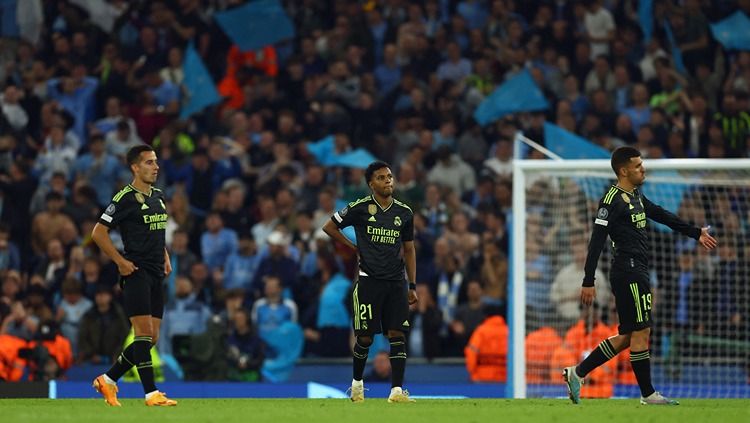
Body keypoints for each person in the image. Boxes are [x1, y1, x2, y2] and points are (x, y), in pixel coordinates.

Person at [563, 146, 717, 406]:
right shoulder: (611, 200)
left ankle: (577, 373)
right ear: (623, 170)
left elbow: (661, 215)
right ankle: (648, 394)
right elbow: (596, 241)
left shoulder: (634, 195)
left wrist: (695, 232)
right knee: (642, 330)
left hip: (637, 270)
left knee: (627, 336)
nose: (643, 169)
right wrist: (588, 280)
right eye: (637, 166)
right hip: (628, 270)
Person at [323, 161, 418, 403]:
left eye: (389, 176)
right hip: (368, 282)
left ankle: (396, 391)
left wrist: (413, 285)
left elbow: (409, 249)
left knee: (397, 335)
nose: (388, 180)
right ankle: (357, 384)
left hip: (396, 281)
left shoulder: (404, 212)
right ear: (371, 184)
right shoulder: (360, 208)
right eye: (382, 177)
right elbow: (329, 226)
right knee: (365, 337)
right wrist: (353, 246)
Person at [90, 145, 177, 407]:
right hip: (136, 272)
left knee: (151, 338)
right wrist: (120, 261)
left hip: (155, 273)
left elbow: (157, 230)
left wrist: (165, 255)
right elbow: (98, 233)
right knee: (142, 334)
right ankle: (151, 393)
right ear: (135, 167)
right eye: (149, 162)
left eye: (156, 162)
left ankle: (108, 379)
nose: (156, 167)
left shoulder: (158, 196)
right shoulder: (124, 198)